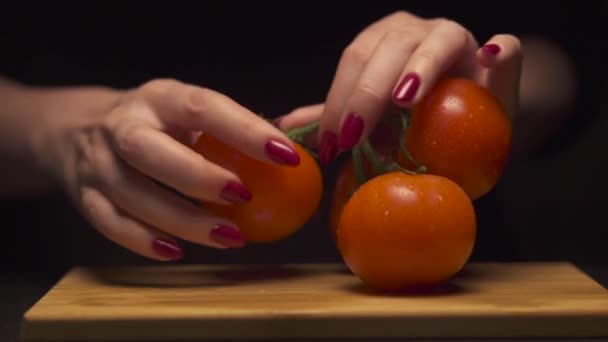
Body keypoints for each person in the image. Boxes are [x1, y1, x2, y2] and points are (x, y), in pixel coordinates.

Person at [0, 9, 576, 263]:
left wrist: (488, 92)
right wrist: (55, 130)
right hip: (83, 286)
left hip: (463, 310)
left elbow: (576, 48)